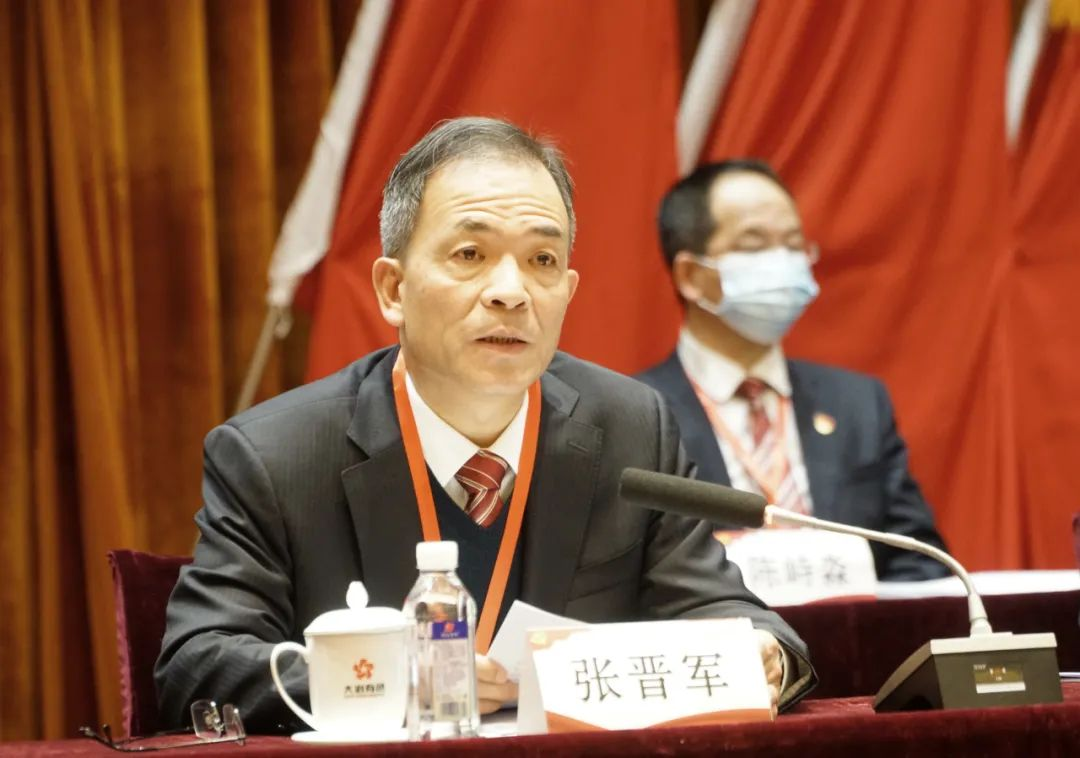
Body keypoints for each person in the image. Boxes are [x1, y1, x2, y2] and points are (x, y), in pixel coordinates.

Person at [155, 120, 816, 733]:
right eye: (470, 254)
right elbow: (197, 665)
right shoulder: (278, 455)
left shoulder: (630, 428)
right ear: (392, 290)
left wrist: (764, 654)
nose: (511, 291)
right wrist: (399, 680)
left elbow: (730, 614)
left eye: (542, 261)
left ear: (568, 293)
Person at [638, 160, 949, 581]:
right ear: (691, 275)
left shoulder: (858, 405)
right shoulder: (636, 415)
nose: (781, 262)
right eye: (753, 245)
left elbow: (921, 563)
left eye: (793, 244)